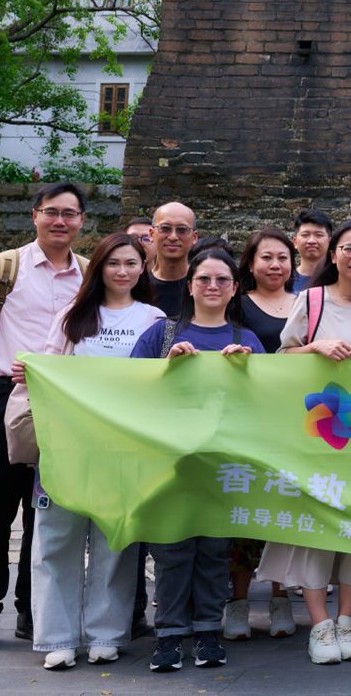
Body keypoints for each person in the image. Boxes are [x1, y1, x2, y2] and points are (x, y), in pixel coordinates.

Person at [0, 182, 89, 658]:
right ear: (35, 215)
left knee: (45, 514)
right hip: (1, 398)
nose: (60, 221)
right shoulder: (3, 268)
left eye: (69, 213)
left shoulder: (89, 276)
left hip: (63, 405)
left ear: (82, 221)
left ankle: (33, 609)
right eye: (52, 212)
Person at [9, 232, 160, 670]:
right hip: (68, 444)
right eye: (113, 263)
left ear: (143, 268)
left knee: (116, 542)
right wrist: (29, 371)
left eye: (131, 263)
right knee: (56, 540)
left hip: (126, 448)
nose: (122, 271)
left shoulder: (154, 320)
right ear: (99, 268)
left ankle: (106, 633)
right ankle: (56, 637)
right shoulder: (72, 316)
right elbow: (48, 369)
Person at [259, 219, 351, 665]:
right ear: (334, 254)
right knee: (315, 527)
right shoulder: (311, 299)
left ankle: (346, 619)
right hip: (316, 431)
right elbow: (282, 356)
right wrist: (315, 348)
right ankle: (320, 624)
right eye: (348, 249)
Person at [131, 248, 264, 671]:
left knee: (213, 551)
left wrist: (248, 373)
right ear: (189, 286)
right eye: (203, 279)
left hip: (224, 461)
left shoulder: (247, 340)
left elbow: (266, 404)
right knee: (170, 550)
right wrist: (165, 369)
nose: (212, 286)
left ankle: (208, 630)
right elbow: (129, 391)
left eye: (222, 280)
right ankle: (169, 634)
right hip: (169, 460)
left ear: (235, 288)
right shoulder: (162, 335)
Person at [223, 229, 301, 640]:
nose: (275, 265)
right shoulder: (236, 304)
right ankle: (238, 603)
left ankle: (281, 599)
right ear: (250, 264)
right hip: (247, 423)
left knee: (284, 512)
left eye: (282, 257)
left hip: (295, 422)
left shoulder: (307, 302)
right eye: (266, 257)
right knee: (246, 513)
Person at [147, 202, 197, 316]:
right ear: (151, 234)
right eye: (165, 228)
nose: (173, 237)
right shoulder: (138, 286)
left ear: (194, 237)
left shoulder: (205, 285)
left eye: (182, 230)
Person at [290, 208, 333, 292]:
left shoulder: (339, 279)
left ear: (329, 242)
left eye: (319, 235)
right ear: (295, 242)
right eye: (305, 235)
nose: (311, 241)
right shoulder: (285, 280)